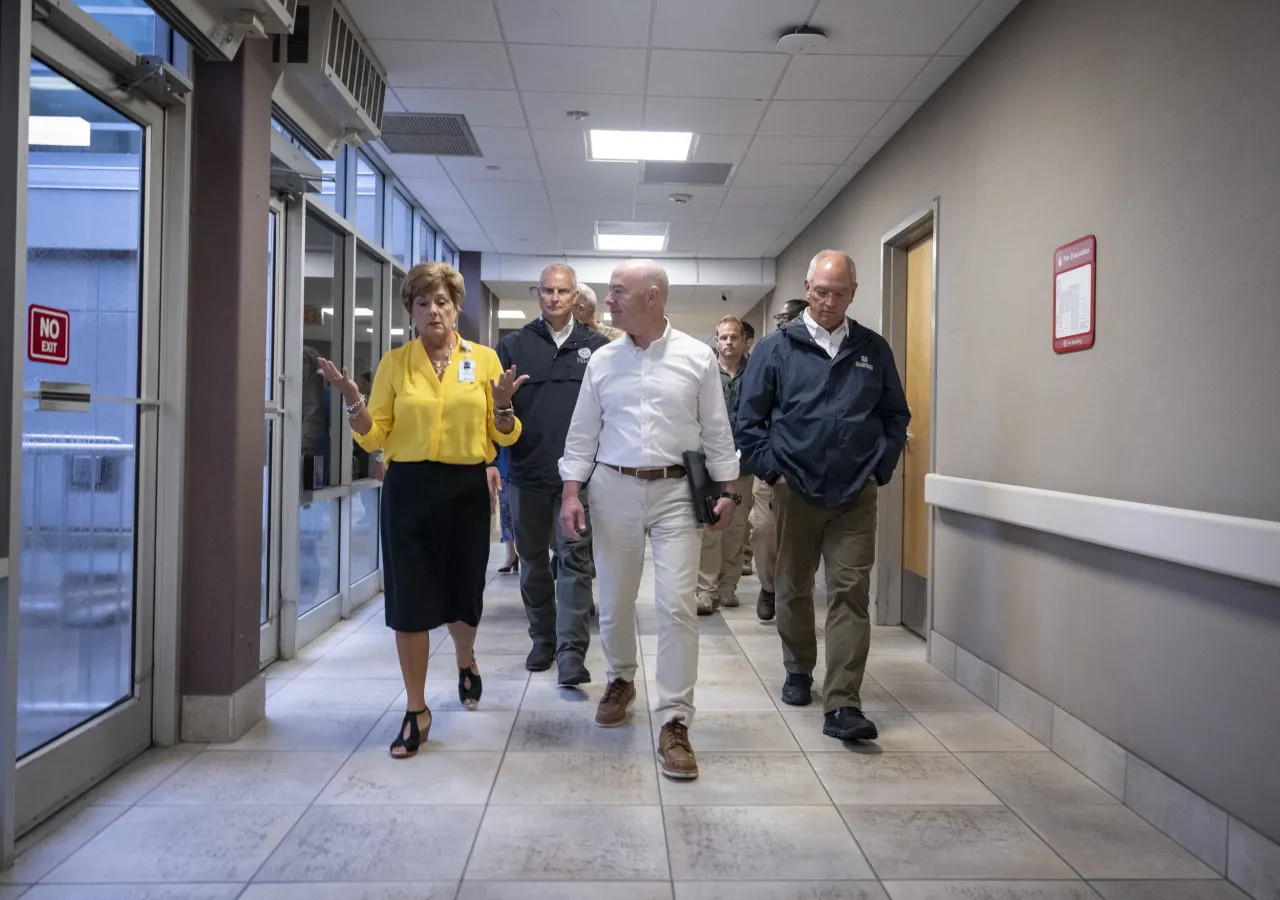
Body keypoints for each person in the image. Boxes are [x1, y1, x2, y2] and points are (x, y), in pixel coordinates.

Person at [317, 261, 526, 759]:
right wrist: (352, 401)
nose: (434, 310)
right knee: (409, 597)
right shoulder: (396, 362)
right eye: (423, 303)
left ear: (456, 309)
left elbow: (505, 434)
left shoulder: (485, 359)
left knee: (464, 591)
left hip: (466, 488)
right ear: (410, 312)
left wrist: (502, 406)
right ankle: (416, 708)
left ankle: (465, 657)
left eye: (443, 302)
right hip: (409, 488)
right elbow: (376, 434)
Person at [559, 260, 738, 781]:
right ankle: (620, 679)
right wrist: (572, 491)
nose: (607, 301)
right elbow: (582, 432)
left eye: (618, 292)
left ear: (653, 297)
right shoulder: (603, 361)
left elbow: (717, 430)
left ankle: (676, 720)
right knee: (613, 600)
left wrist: (728, 490)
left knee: (677, 604)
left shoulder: (696, 357)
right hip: (611, 486)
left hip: (677, 491)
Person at [737, 253, 909, 743]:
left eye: (839, 293)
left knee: (850, 593)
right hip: (796, 490)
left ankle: (843, 703)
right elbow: (749, 423)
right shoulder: (776, 350)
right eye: (820, 292)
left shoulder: (872, 349)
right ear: (807, 287)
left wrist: (879, 469)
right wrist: (775, 472)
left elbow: (896, 415)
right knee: (792, 587)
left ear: (853, 292)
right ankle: (797, 668)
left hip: (856, 493)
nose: (828, 302)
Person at [499, 264, 609, 684]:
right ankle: (542, 638)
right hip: (526, 474)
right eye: (547, 290)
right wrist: (503, 407)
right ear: (538, 294)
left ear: (576, 296)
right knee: (532, 562)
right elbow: (499, 420)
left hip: (577, 481)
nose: (555, 298)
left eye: (563, 291)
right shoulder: (513, 345)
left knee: (575, 562)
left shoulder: (598, 348)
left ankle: (570, 652)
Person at [747, 298, 809, 621]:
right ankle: (769, 586)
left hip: (809, 469)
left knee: (799, 539)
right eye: (779, 317)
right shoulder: (768, 352)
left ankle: (793, 592)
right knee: (763, 531)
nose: (781, 322)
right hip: (771, 465)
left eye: (787, 317)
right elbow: (751, 413)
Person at [696, 316, 755, 616]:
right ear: (716, 340)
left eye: (734, 337)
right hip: (709, 463)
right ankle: (705, 590)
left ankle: (727, 587)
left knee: (735, 528)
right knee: (709, 527)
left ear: (745, 341)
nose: (729, 342)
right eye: (723, 337)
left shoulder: (756, 373)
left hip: (743, 464)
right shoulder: (707, 374)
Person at [494, 445, 518, 575]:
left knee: (527, 514)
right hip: (505, 466)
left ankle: (529, 554)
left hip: (530, 465)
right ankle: (511, 554)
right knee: (505, 512)